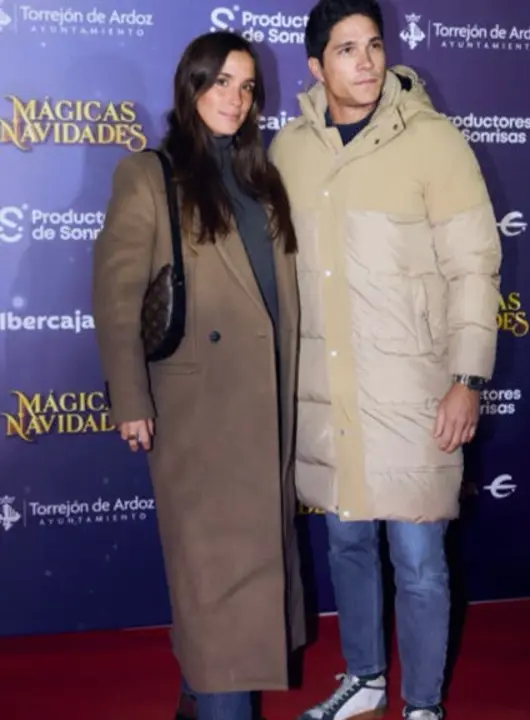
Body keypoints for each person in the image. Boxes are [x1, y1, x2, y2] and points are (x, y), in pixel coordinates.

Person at [268, 0, 502, 718]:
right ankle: (365, 678)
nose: (365, 61)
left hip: (415, 393)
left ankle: (423, 704)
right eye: (345, 49)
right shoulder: (288, 153)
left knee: (420, 563)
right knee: (346, 545)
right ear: (316, 66)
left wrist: (467, 379)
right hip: (326, 396)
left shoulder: (435, 142)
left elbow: (474, 267)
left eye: (373, 44)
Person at [91, 30, 305, 720]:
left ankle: (201, 697)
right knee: (215, 591)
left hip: (263, 409)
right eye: (220, 83)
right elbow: (117, 296)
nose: (234, 99)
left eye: (246, 87)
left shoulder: (260, 178)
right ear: (190, 87)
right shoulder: (149, 174)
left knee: (238, 588)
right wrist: (129, 398)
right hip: (197, 415)